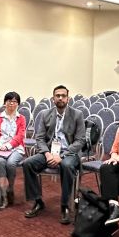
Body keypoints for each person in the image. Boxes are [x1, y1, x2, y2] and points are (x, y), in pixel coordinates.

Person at [23, 84, 86, 224]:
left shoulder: (77, 115)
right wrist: (47, 154)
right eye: (57, 96)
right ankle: (38, 201)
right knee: (28, 163)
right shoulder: (46, 114)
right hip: (49, 152)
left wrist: (61, 156)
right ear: (53, 99)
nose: (60, 98)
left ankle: (65, 206)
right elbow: (39, 138)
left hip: (69, 153)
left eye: (63, 96)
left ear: (68, 99)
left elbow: (80, 140)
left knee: (66, 165)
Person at [0, 92, 27, 206]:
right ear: (5, 103)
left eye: (15, 101)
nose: (12, 103)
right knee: (0, 162)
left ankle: (10, 188)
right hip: (0, 148)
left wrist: (9, 145)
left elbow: (20, 136)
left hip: (16, 148)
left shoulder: (21, 118)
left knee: (11, 163)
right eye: (9, 101)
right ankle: (3, 194)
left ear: (18, 104)